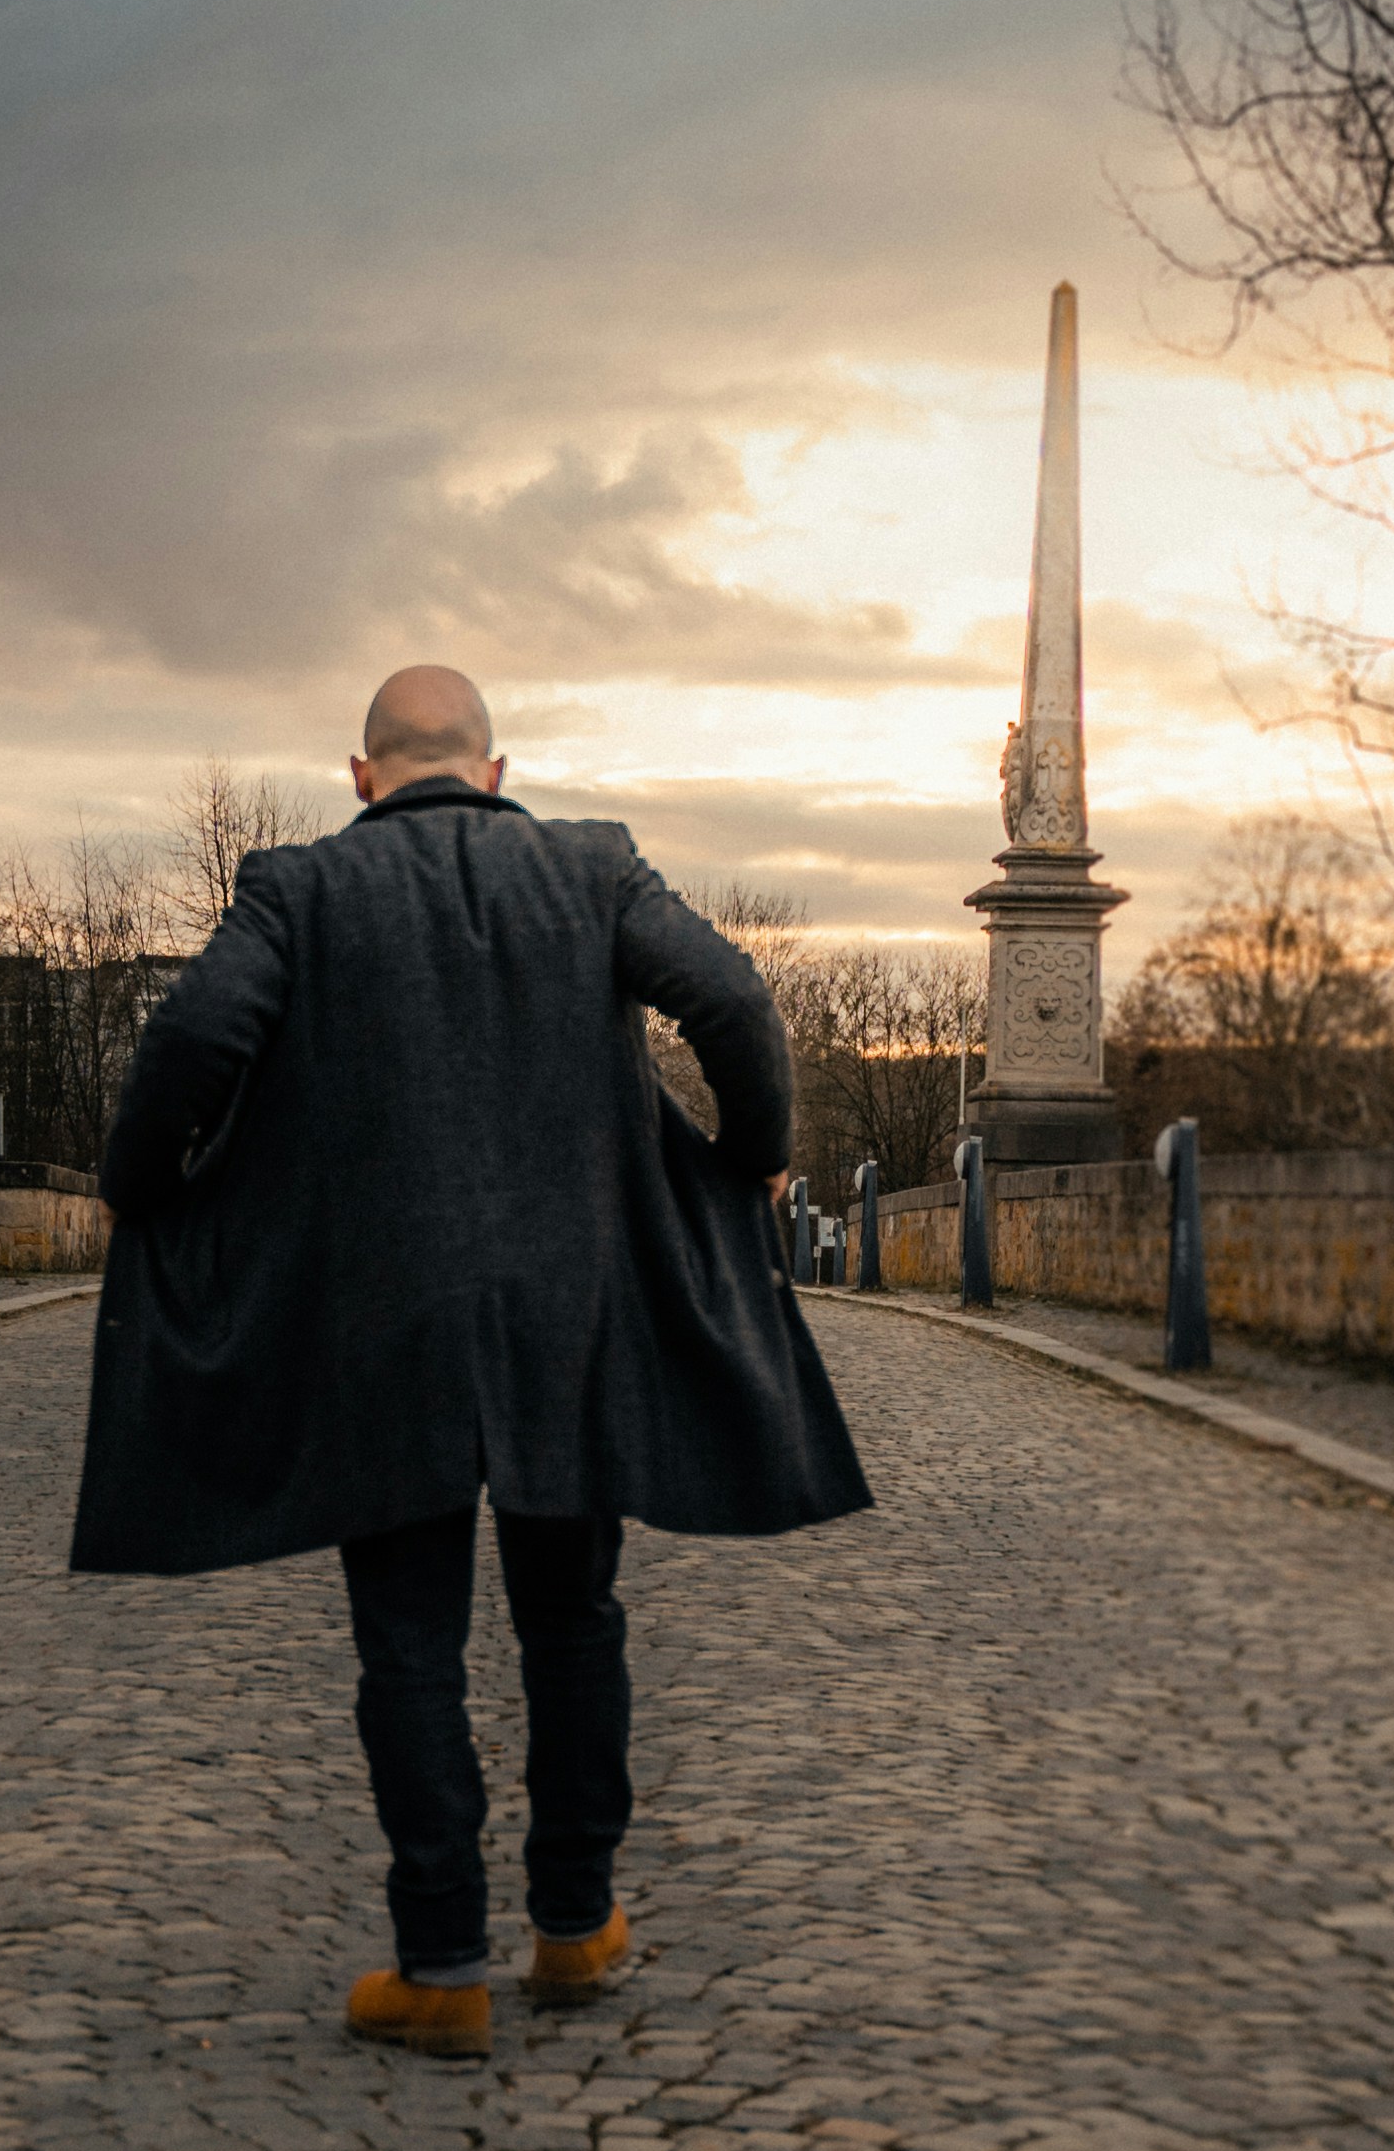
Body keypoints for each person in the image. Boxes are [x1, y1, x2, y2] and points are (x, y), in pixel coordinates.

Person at [70, 664, 870, 2055]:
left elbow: (197, 1037)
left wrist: (142, 1185)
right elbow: (735, 1004)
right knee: (572, 1620)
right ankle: (577, 1925)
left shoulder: (300, 889)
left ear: (363, 774)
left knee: (409, 1647)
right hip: (573, 1316)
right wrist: (748, 1158)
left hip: (379, 1324)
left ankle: (440, 1967)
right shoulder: (591, 868)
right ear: (494, 773)